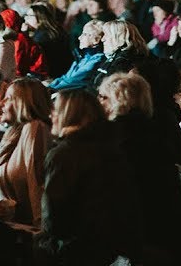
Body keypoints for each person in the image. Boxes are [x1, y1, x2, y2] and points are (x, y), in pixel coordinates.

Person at [98, 72, 181, 262]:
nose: (99, 102)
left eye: (103, 97)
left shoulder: (116, 136)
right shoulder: (153, 128)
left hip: (144, 231)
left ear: (118, 100)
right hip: (170, 226)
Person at [38, 89, 143, 264]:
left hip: (73, 250)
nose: (51, 115)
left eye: (56, 109)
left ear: (70, 114)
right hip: (109, 249)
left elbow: (54, 220)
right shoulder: (113, 147)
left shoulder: (65, 154)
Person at [0, 78, 51, 228]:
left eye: (8, 98)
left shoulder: (34, 128)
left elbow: (36, 182)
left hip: (29, 232)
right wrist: (0, 201)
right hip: (13, 225)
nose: (0, 103)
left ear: (24, 103)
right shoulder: (12, 132)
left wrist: (40, 233)